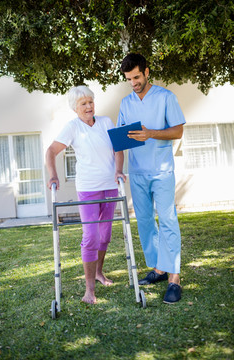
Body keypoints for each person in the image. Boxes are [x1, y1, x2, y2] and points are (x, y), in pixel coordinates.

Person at [46, 85, 125, 304]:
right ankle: (89, 290)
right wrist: (53, 175)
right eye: (83, 103)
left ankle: (99, 272)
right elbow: (51, 151)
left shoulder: (107, 122)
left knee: (105, 235)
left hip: (109, 186)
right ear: (75, 108)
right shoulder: (72, 128)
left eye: (90, 101)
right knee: (91, 237)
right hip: (88, 189)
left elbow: (118, 149)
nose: (89, 106)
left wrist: (118, 170)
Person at [116, 53, 186, 304]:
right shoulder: (126, 102)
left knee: (167, 219)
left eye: (136, 77)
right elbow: (121, 137)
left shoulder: (166, 97)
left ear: (146, 72)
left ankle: (174, 278)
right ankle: (158, 269)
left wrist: (151, 134)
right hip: (137, 171)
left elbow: (178, 130)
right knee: (145, 222)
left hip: (161, 169)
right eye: (128, 79)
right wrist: (118, 167)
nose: (133, 82)